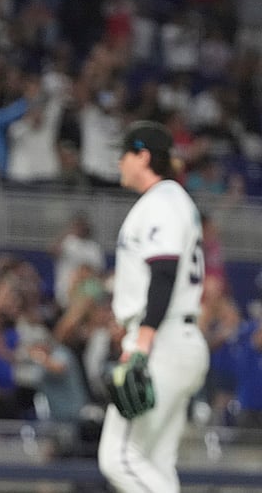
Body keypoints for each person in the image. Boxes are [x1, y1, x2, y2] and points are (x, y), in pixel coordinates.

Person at [97, 121, 209, 493]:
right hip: (177, 337)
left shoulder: (162, 200)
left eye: (124, 154)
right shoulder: (172, 201)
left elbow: (163, 273)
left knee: (119, 456)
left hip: (161, 341)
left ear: (143, 156)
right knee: (155, 463)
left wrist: (142, 344)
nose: (118, 163)